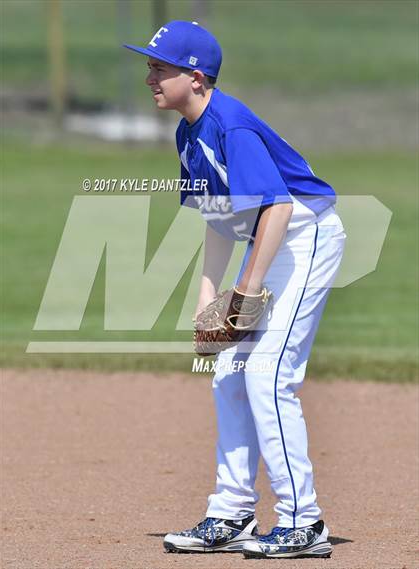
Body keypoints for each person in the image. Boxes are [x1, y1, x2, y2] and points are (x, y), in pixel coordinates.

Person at [124, 20, 345, 559]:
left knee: (269, 374)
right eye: (150, 65)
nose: (149, 76)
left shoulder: (231, 126)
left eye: (160, 67)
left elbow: (280, 206)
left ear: (196, 78)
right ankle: (232, 512)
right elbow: (219, 217)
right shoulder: (188, 133)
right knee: (228, 371)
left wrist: (243, 296)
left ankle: (303, 522)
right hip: (268, 244)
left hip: (303, 239)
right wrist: (207, 300)